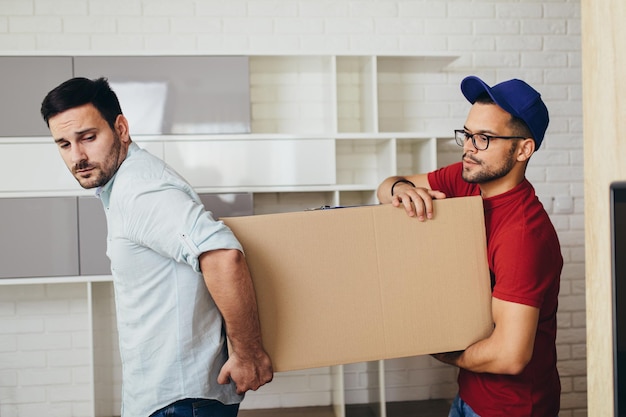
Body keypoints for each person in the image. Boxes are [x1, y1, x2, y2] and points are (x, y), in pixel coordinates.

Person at [40, 77, 273, 417]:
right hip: (173, 398)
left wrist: (249, 352)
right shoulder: (125, 185)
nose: (78, 156)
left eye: (88, 138)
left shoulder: (140, 190)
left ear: (120, 128)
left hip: (179, 403)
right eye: (64, 144)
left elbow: (223, 255)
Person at [377, 76, 562, 417]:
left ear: (523, 149)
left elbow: (510, 355)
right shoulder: (467, 181)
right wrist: (401, 190)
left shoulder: (524, 235)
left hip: (512, 409)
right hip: (469, 397)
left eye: (484, 138)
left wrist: (445, 353)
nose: (468, 148)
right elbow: (387, 185)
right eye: (467, 134)